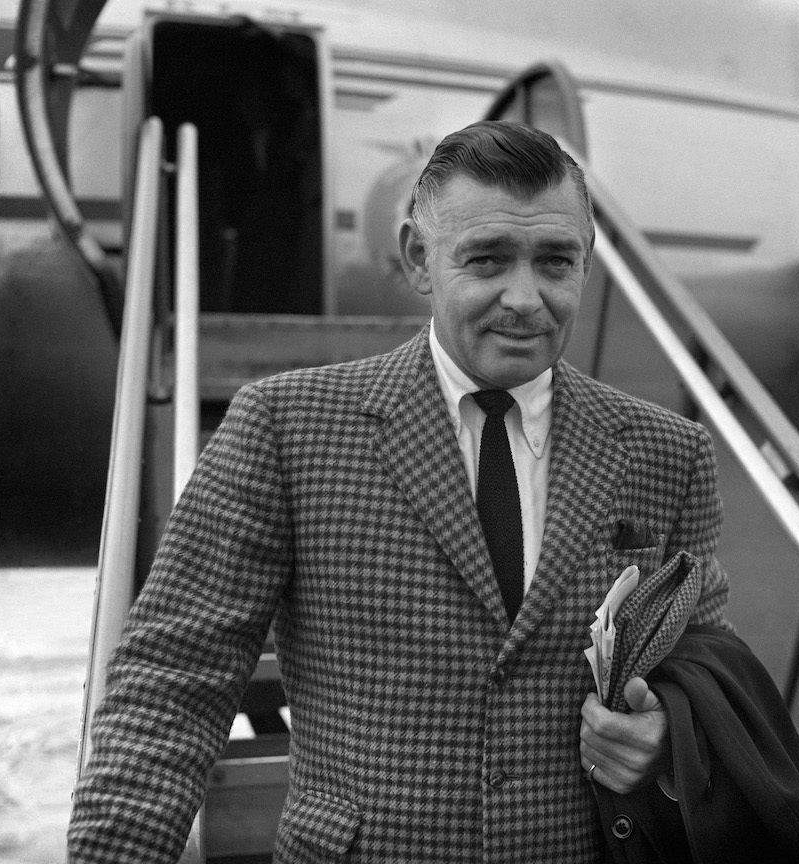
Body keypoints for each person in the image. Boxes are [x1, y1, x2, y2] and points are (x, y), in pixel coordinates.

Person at [67, 120, 730, 863]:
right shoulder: (286, 427)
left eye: (555, 261)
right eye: (486, 260)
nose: (524, 297)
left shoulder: (669, 453)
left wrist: (667, 736)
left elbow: (709, 682)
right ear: (420, 258)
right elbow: (172, 681)